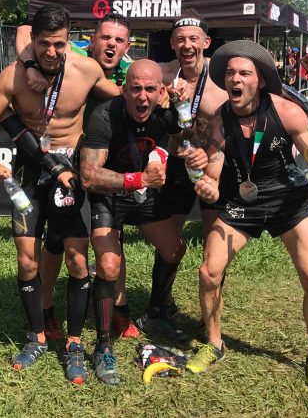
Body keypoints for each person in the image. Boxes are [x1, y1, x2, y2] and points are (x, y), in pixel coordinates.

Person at [0, 5, 120, 385]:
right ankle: (36, 336)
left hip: (71, 173)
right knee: (27, 262)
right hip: (29, 172)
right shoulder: (14, 76)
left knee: (77, 260)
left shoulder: (86, 70)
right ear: (33, 42)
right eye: (43, 44)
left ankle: (74, 343)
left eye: (58, 44)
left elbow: (124, 98)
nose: (51, 52)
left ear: (69, 41)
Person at [186, 40, 308, 394]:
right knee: (209, 273)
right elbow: (214, 168)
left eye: (244, 73)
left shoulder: (286, 110)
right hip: (244, 203)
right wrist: (209, 185)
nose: (235, 79)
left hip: (288, 201)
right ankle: (214, 343)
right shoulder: (219, 120)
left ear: (261, 80)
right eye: (230, 73)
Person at [79, 59, 219, 384]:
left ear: (160, 91)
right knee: (109, 266)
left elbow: (192, 140)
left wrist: (186, 123)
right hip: (109, 194)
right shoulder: (105, 116)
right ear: (124, 90)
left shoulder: (164, 113)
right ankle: (103, 345)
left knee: (174, 249)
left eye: (150, 89)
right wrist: (138, 178)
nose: (142, 97)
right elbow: (88, 176)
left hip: (142, 194)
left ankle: (156, 312)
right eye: (136, 89)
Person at [15, 13, 140, 341]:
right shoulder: (70, 56)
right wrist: (30, 64)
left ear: (127, 47)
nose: (111, 45)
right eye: (105, 38)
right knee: (57, 242)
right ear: (91, 40)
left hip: (104, 169)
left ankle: (118, 311)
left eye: (118, 40)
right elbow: (25, 31)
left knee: (111, 236)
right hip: (67, 166)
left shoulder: (128, 73)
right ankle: (47, 310)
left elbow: (142, 93)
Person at [133, 10, 227, 340]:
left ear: (206, 42)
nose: (187, 45)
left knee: (215, 243)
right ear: (172, 44)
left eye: (193, 39)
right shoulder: (164, 72)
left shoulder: (223, 76)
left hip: (214, 164)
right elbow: (128, 79)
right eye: (180, 39)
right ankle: (158, 308)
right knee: (170, 240)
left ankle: (210, 316)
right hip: (177, 165)